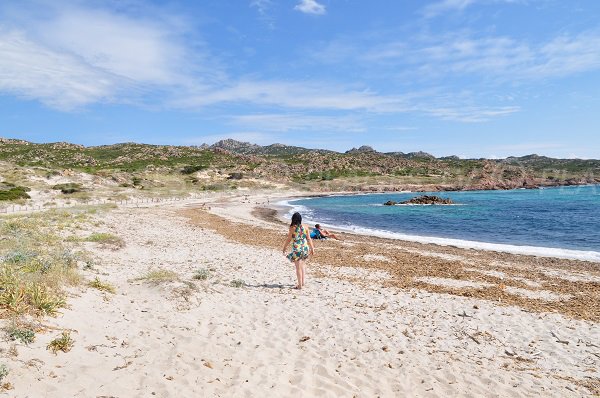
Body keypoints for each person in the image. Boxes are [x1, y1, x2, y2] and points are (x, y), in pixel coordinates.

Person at [282, 212, 314, 289]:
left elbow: (289, 239)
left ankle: (299, 285)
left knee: (298, 268)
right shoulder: (306, 227)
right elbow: (309, 238)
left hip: (297, 249)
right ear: (300, 219)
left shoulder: (292, 228)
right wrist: (312, 248)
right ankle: (302, 283)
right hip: (305, 248)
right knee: (302, 266)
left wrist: (284, 247)